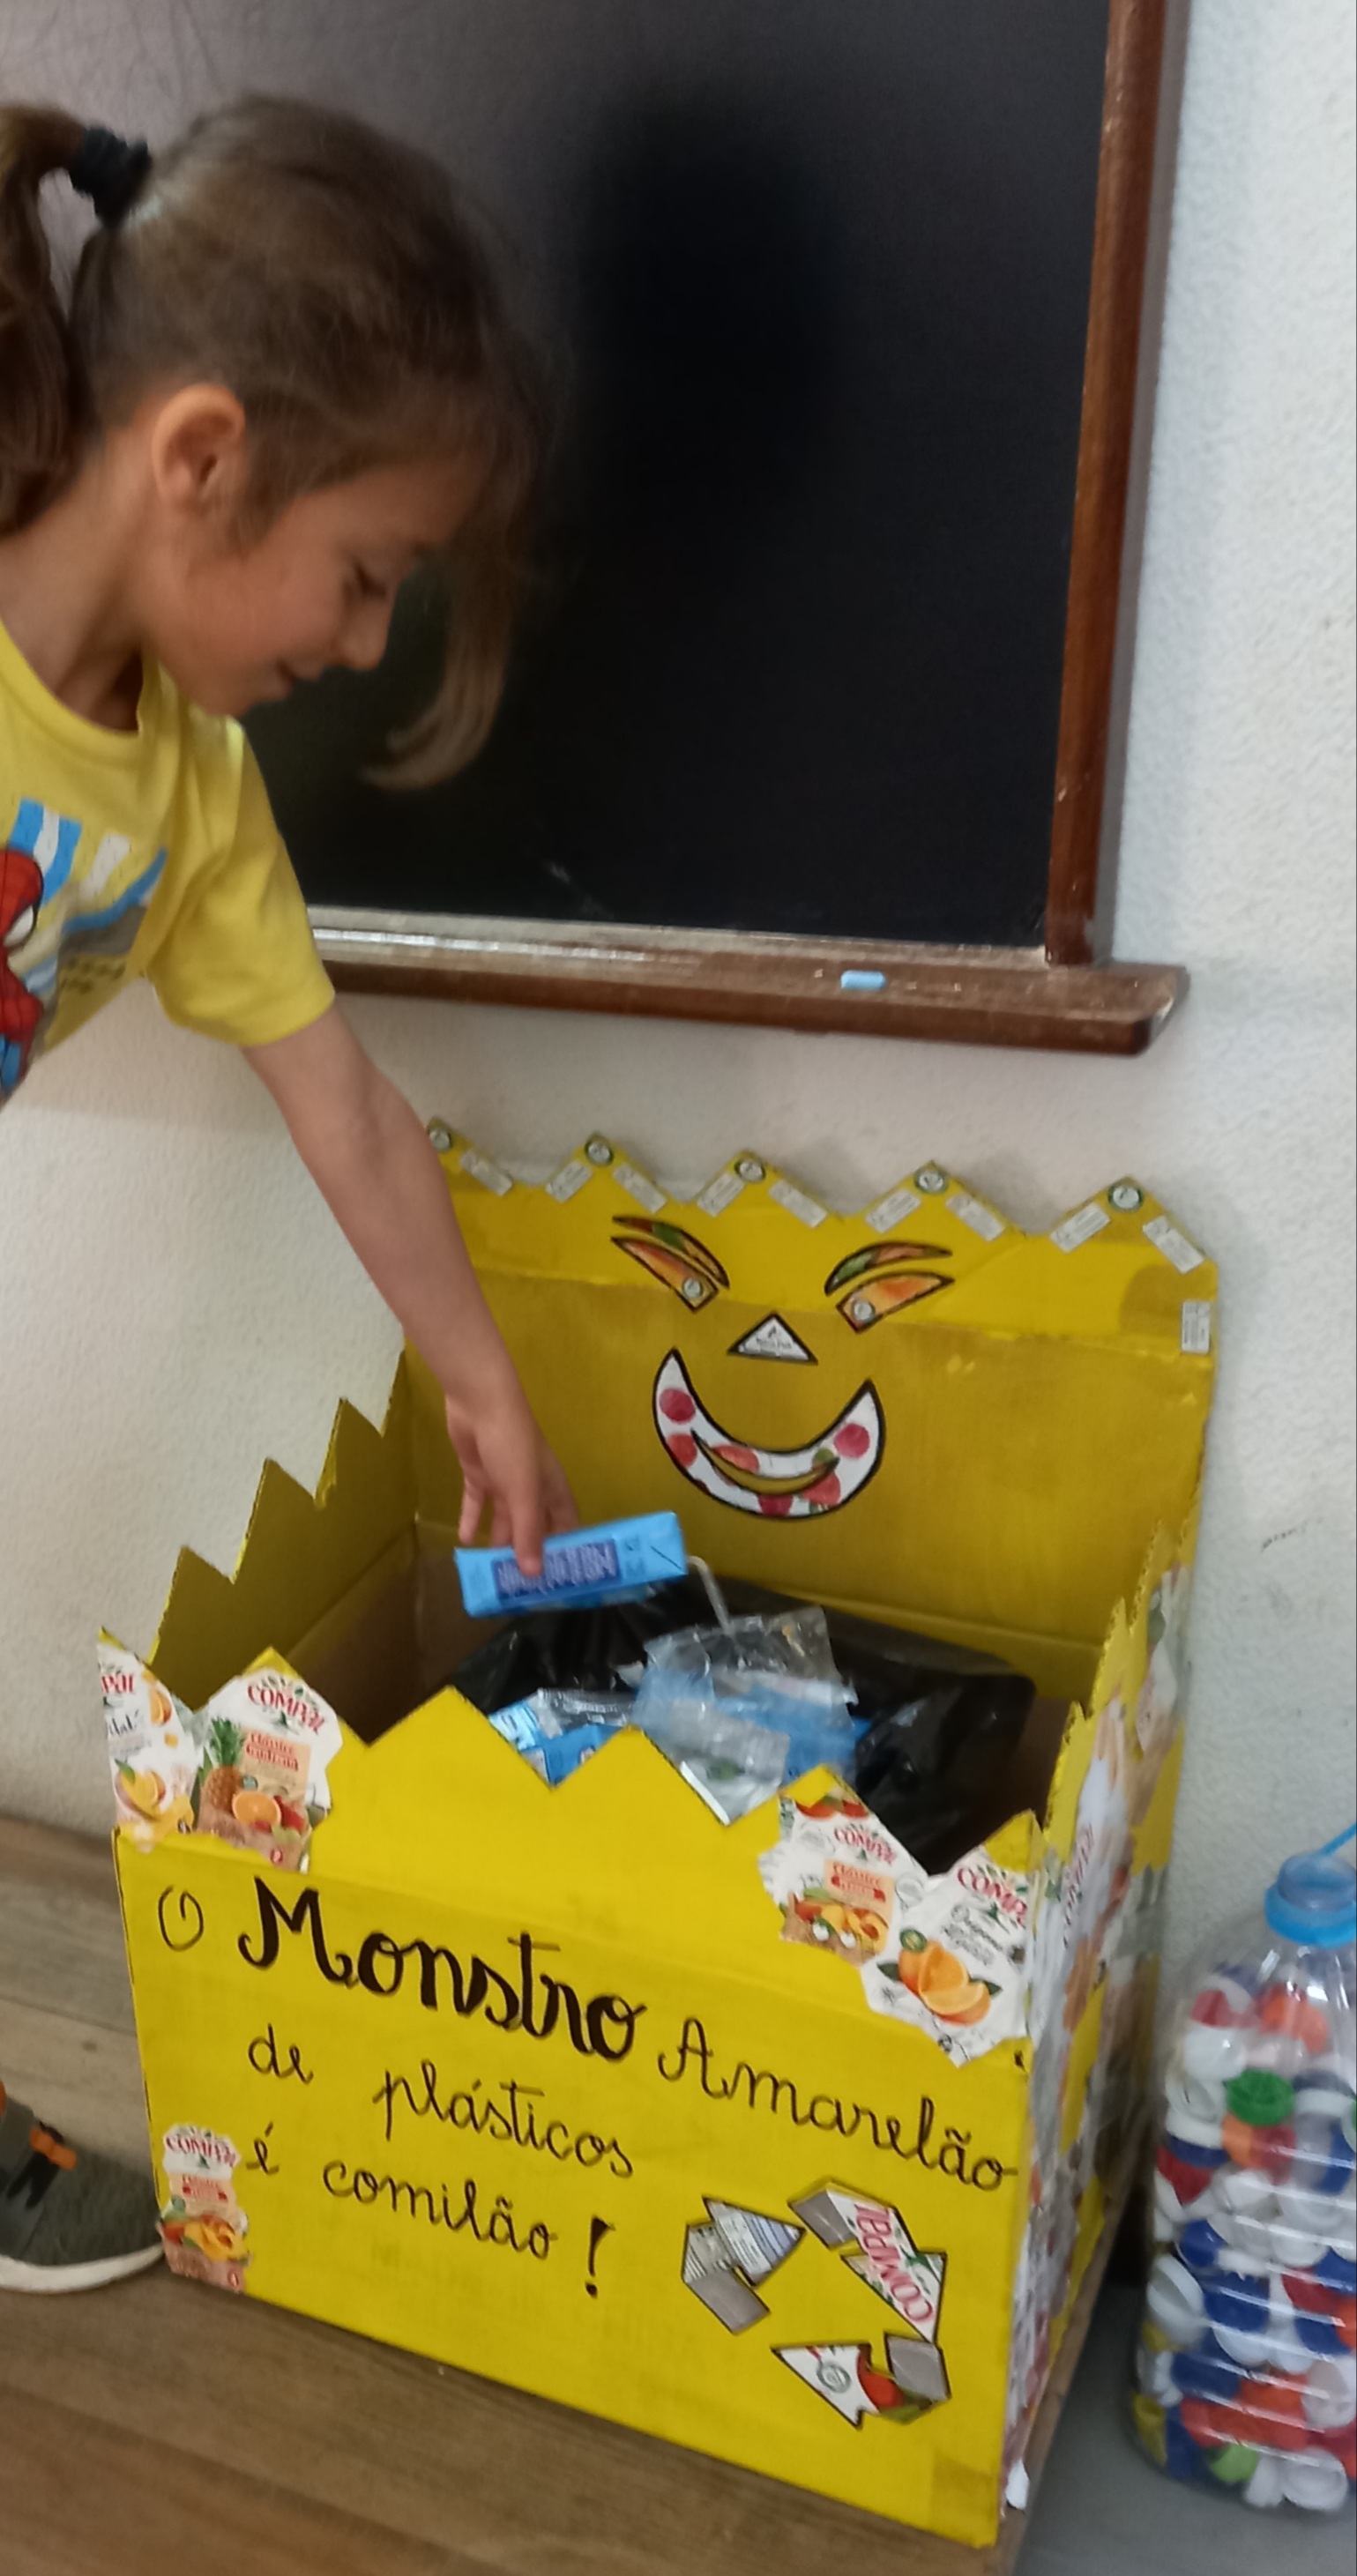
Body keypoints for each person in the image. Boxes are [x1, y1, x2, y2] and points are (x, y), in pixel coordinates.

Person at [0, 97, 578, 2291]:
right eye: (364, 572)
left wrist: (480, 1374)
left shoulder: (185, 794)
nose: (360, 642)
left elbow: (343, 1106)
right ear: (201, 456)